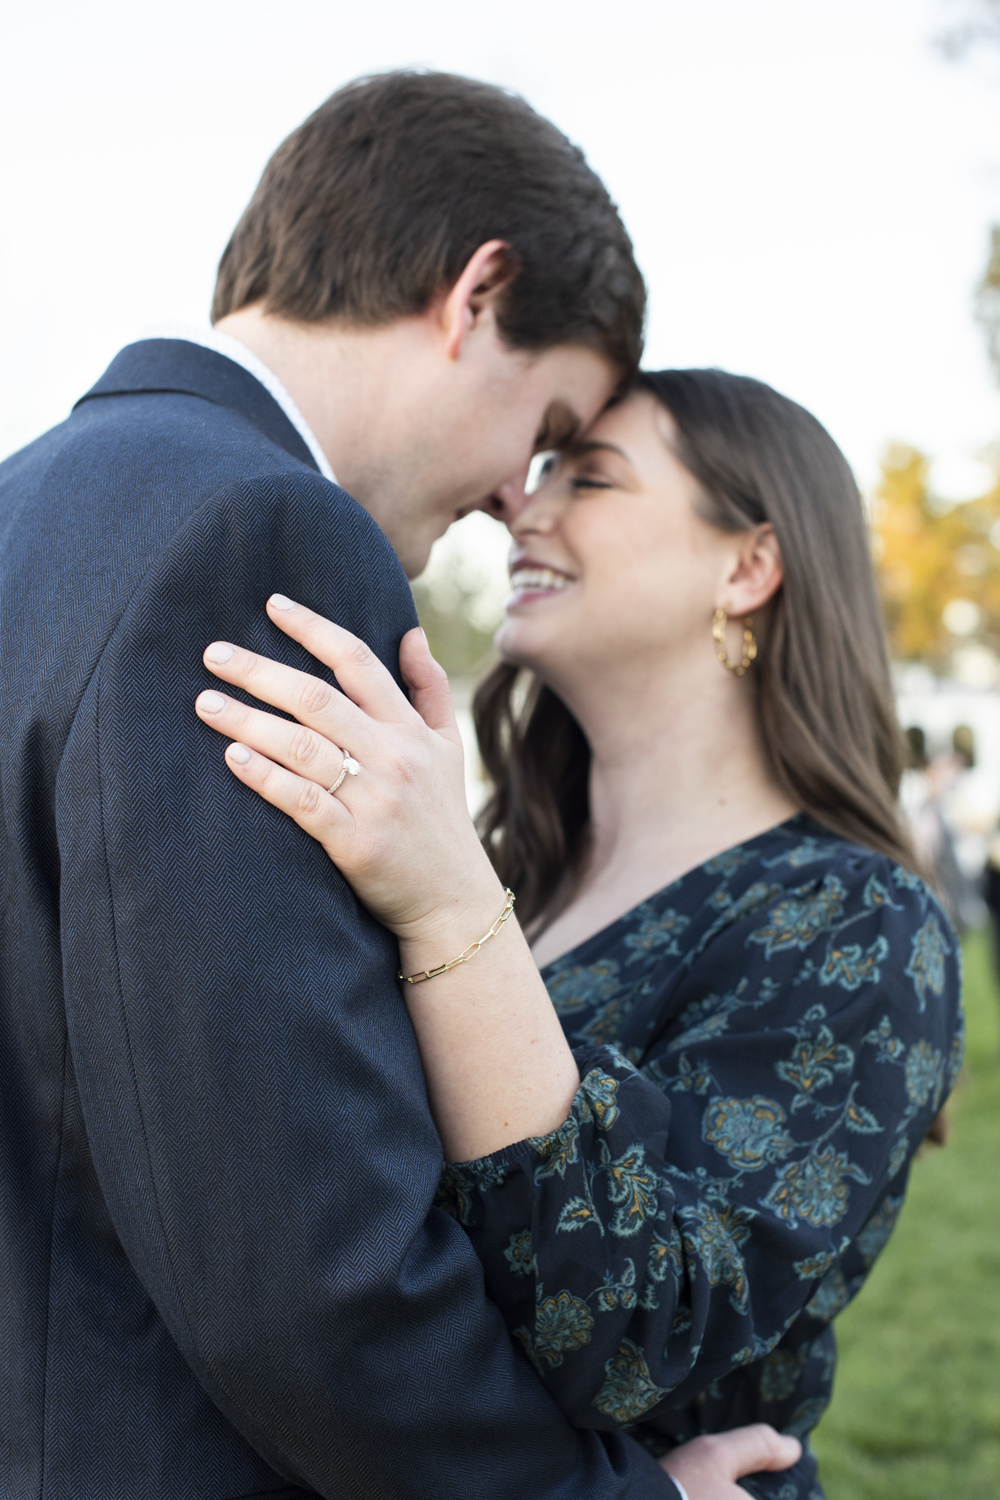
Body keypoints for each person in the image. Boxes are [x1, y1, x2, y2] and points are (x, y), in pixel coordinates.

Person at [0, 70, 788, 1500]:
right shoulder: (262, 534)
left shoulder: (32, 501)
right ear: (475, 292)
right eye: (543, 426)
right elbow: (308, 1275)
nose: (511, 499)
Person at [195, 370, 964, 1498]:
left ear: (746, 566)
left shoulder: (860, 924)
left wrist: (451, 909)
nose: (522, 505)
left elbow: (635, 1331)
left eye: (589, 477)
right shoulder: (518, 868)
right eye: (537, 473)